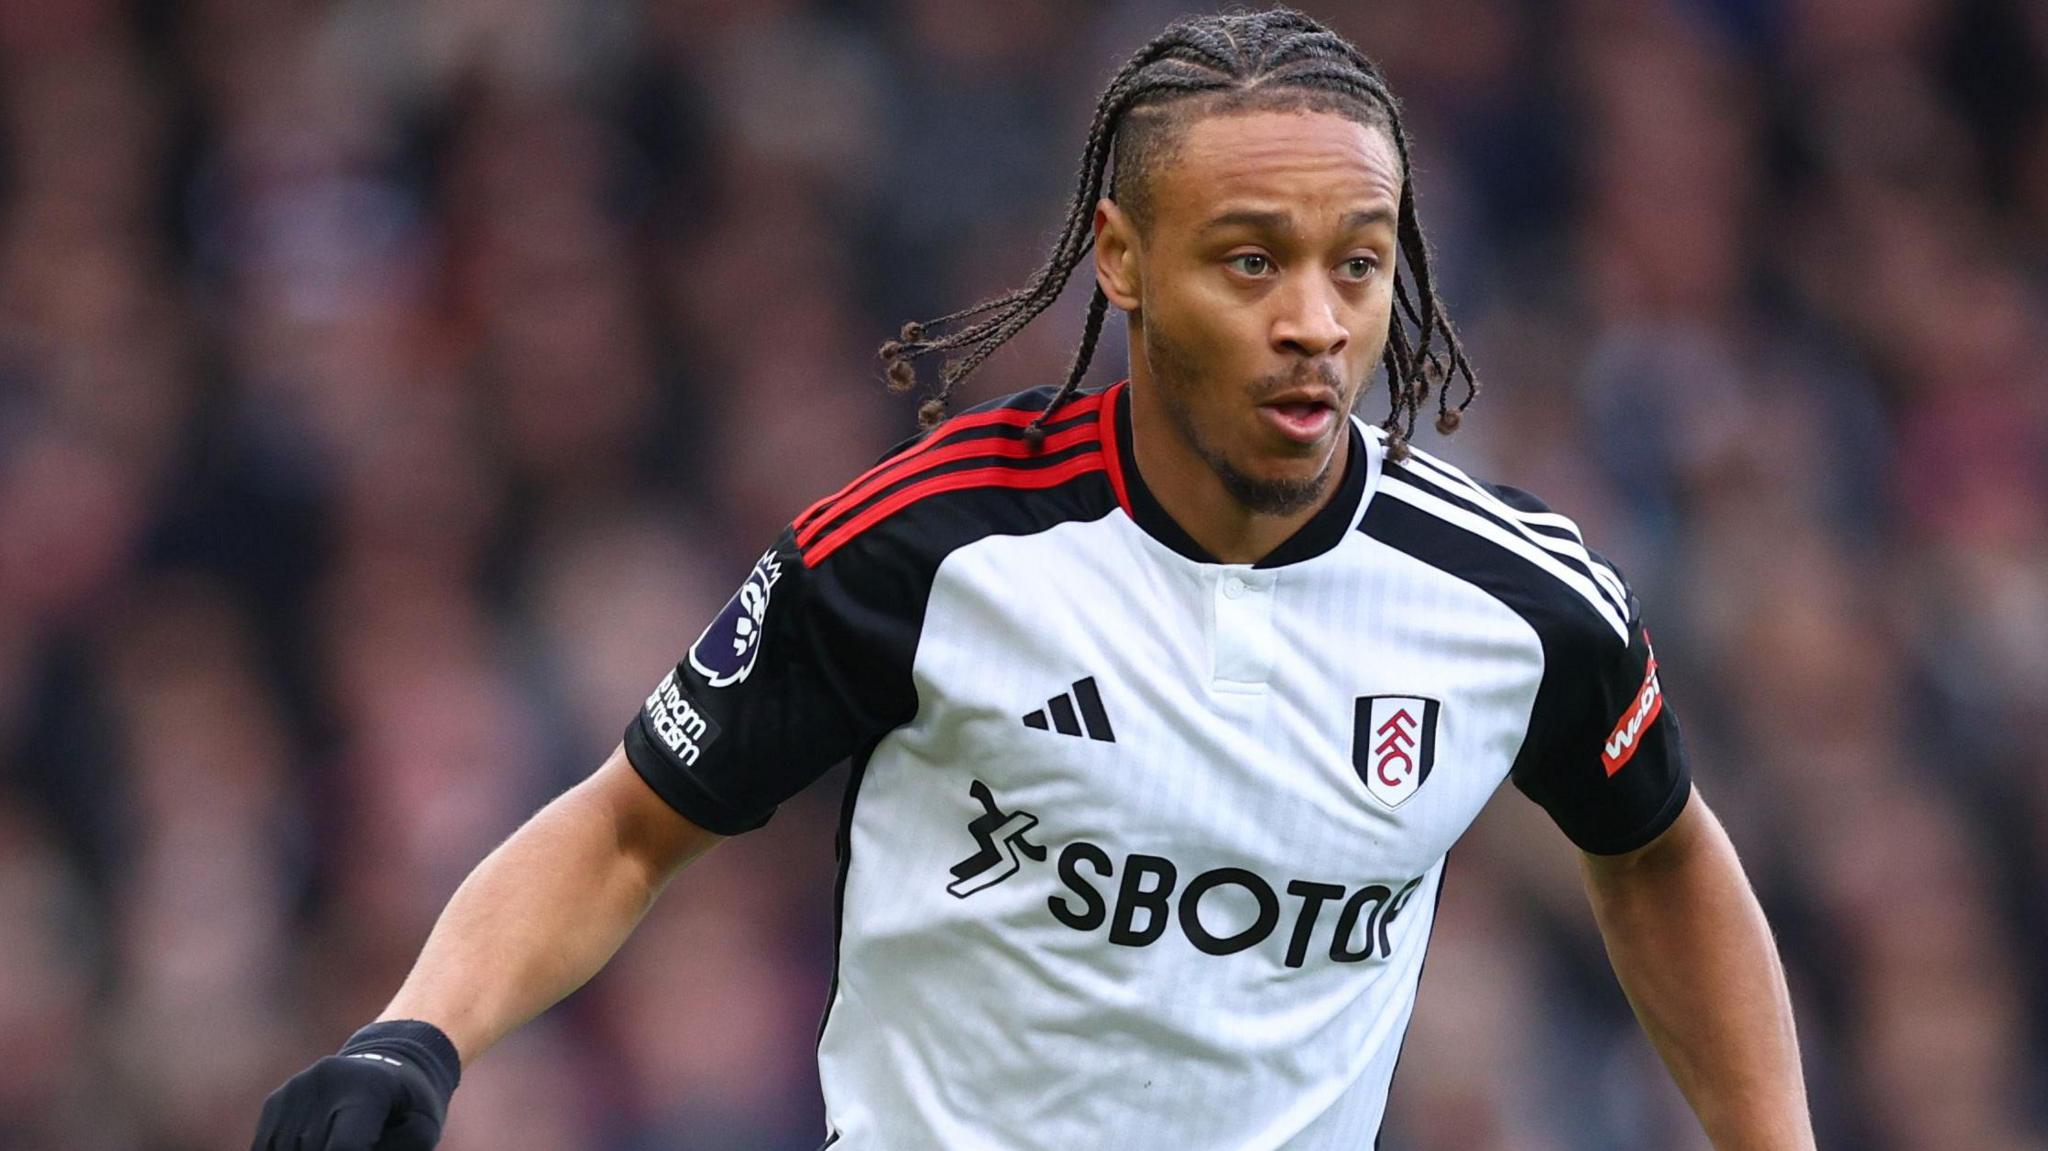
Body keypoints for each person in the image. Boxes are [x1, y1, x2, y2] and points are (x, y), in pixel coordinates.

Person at [251, 9, 1816, 1149]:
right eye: (1251, 259)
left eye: (1360, 259)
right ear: (1123, 260)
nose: (1319, 323)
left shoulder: (1515, 606)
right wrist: (419, 1035)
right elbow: (627, 826)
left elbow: (1661, 854)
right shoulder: (929, 548)